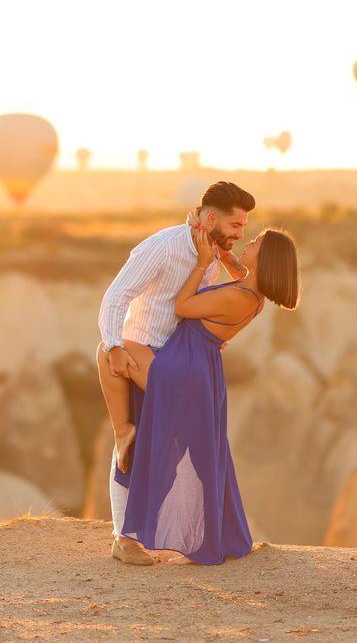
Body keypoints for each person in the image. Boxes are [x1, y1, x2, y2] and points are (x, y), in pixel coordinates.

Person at [114, 224, 301, 566]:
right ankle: (217, 531)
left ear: (266, 259)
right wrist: (228, 257)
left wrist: (202, 262)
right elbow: (245, 273)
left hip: (184, 367)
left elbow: (183, 307)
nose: (248, 242)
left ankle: (121, 431)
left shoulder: (240, 297)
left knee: (111, 350)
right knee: (204, 454)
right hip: (197, 367)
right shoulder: (248, 290)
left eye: (255, 243)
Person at [97, 181, 256, 565]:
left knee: (184, 447)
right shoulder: (164, 246)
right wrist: (115, 346)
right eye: (236, 226)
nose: (240, 234)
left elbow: (212, 300)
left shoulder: (212, 253)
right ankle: (124, 538)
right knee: (136, 446)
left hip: (178, 359)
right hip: (145, 354)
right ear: (212, 218)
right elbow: (116, 295)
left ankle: (217, 531)